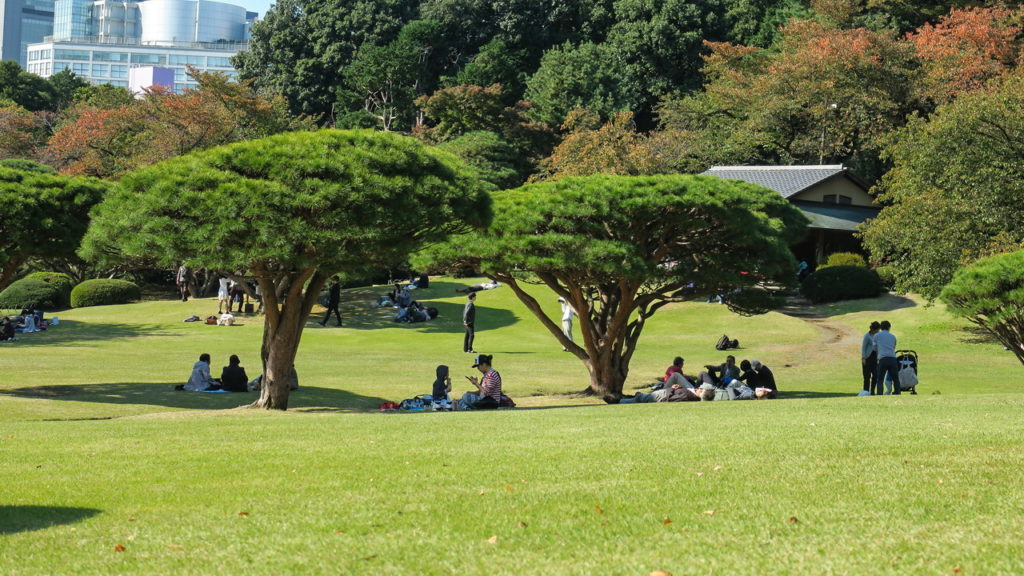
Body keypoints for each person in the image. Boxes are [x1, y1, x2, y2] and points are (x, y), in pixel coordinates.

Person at [874, 320, 901, 395]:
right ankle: (897, 393)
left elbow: (874, 348)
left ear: (881, 327)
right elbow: (893, 346)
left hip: (883, 359)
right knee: (895, 379)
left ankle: (880, 394)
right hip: (892, 359)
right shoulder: (893, 336)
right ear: (889, 327)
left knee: (880, 379)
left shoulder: (877, 336)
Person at [605, 383, 700, 404]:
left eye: (702, 390)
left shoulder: (690, 396)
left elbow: (673, 398)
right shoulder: (691, 392)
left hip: (664, 395)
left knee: (641, 398)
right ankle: (623, 399)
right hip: (665, 392)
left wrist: (672, 389)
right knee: (641, 398)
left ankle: (618, 401)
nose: (700, 388)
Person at [862, 321, 881, 395]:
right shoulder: (867, 335)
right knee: (867, 376)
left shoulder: (878, 335)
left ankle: (872, 391)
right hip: (867, 357)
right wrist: (863, 358)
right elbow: (864, 347)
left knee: (875, 375)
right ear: (874, 329)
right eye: (877, 329)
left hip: (875, 356)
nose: (878, 331)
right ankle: (866, 391)